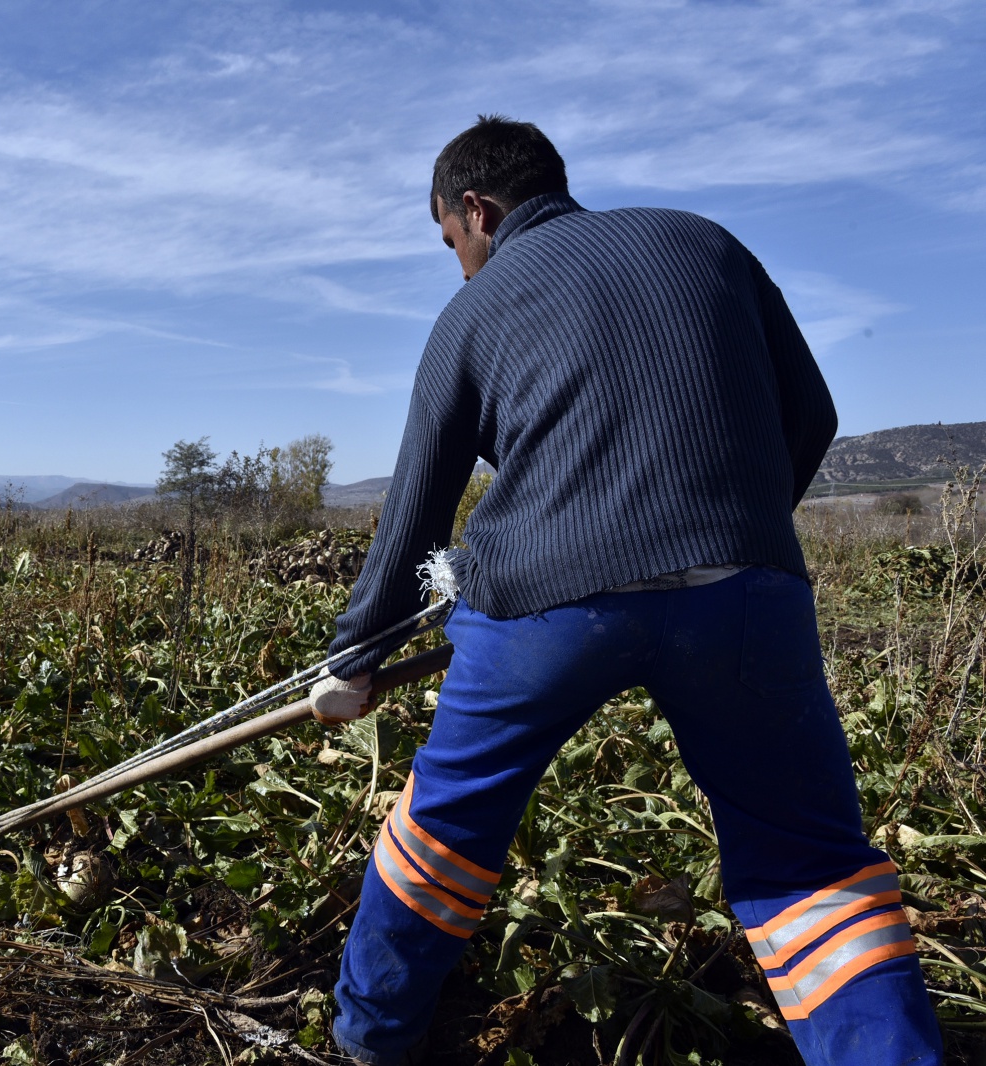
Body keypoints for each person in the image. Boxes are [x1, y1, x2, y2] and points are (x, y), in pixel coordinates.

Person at [308, 115, 943, 1066]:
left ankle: (369, 1039)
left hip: (541, 611)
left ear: (474, 211)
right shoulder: (703, 242)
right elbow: (811, 413)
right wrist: (735, 528)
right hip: (744, 598)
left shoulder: (471, 314)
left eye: (450, 243)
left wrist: (354, 657)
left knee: (445, 827)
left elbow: (415, 515)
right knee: (810, 866)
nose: (458, 263)